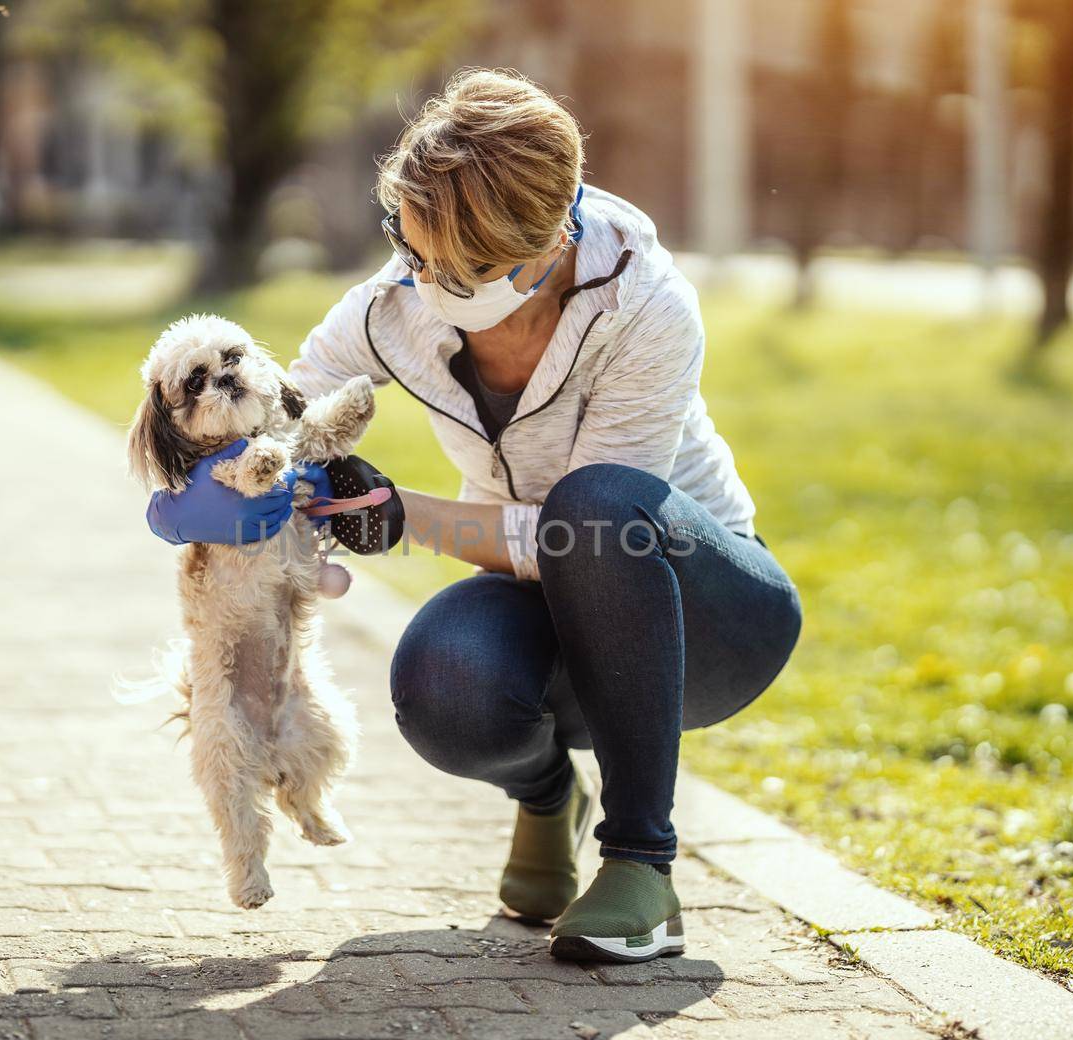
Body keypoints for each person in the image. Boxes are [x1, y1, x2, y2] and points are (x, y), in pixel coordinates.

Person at [146, 69, 803, 964]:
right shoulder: (394, 304)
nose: (419, 279)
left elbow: (583, 535)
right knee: (440, 677)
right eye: (406, 246)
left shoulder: (644, 307)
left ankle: (642, 862)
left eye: (449, 267)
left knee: (600, 503)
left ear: (538, 249)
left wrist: (404, 512)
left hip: (705, 612)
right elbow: (285, 412)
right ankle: (545, 796)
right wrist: (204, 490)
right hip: (555, 599)